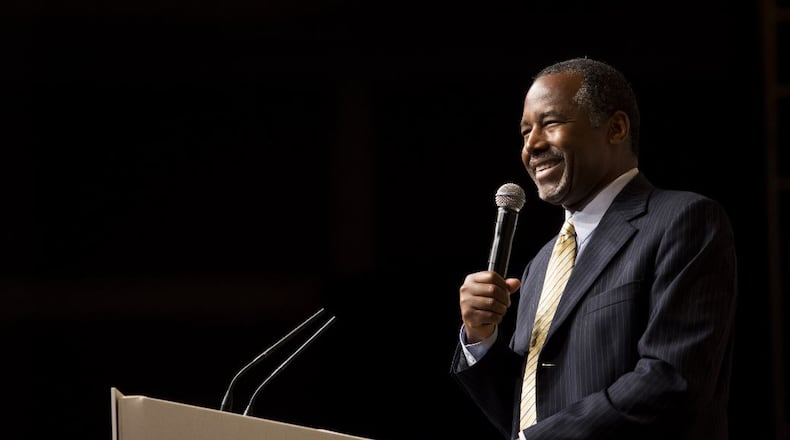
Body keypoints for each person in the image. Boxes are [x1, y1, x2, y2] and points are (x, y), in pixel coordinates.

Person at [451, 57, 737, 439]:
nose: (532, 145)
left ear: (616, 128)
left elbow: (671, 380)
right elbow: (523, 416)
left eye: (550, 124)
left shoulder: (683, 221)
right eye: (524, 132)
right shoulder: (540, 265)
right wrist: (481, 338)